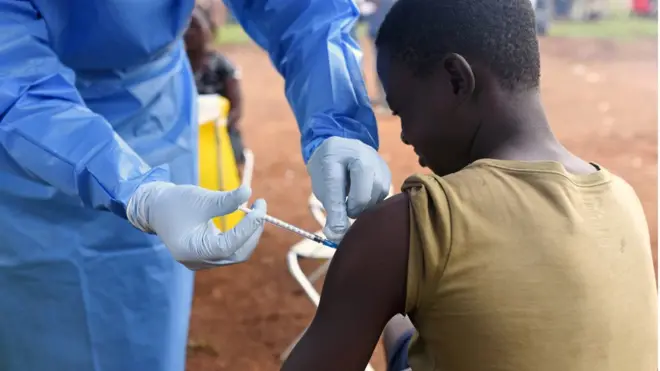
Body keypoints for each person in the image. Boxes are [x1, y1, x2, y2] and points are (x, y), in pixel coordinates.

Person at [0, 1, 390, 370]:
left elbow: (305, 9)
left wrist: (339, 121)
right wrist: (135, 190)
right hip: (28, 153)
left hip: (154, 115)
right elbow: (15, 85)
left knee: (142, 325)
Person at [280, 0, 658, 370]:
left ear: (456, 80)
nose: (406, 136)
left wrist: (367, 262)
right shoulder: (622, 199)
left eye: (404, 111)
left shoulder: (417, 223)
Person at [185, 8, 247, 178]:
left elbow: (236, 109)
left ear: (209, 31)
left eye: (195, 27)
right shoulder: (176, 69)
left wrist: (217, 127)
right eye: (185, 27)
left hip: (219, 132)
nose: (189, 33)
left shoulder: (221, 66)